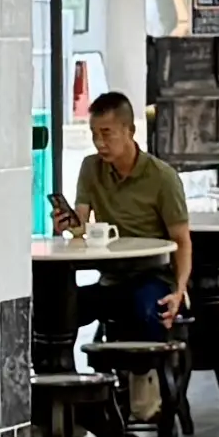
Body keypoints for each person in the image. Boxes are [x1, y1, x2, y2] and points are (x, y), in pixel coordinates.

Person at [52, 90, 193, 342]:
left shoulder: (162, 177)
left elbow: (182, 240)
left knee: (148, 311)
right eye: (94, 134)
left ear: (130, 130)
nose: (99, 143)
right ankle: (58, 366)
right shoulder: (91, 168)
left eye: (106, 133)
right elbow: (81, 225)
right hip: (112, 278)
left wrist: (180, 291)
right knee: (57, 311)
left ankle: (151, 367)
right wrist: (66, 226)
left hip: (154, 276)